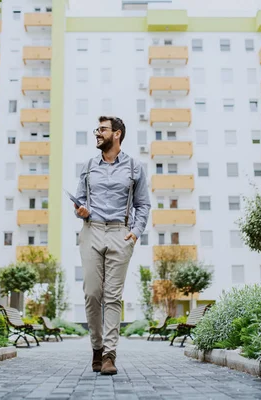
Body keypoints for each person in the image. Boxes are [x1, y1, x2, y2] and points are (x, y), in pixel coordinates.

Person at [74, 116, 151, 375]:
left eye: (102, 129)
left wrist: (136, 232)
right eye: (97, 129)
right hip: (92, 231)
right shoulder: (88, 167)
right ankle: (96, 347)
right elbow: (81, 199)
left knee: (113, 296)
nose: (97, 133)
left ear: (116, 134)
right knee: (92, 293)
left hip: (121, 232)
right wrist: (81, 210)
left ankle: (109, 355)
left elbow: (143, 204)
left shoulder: (134, 167)